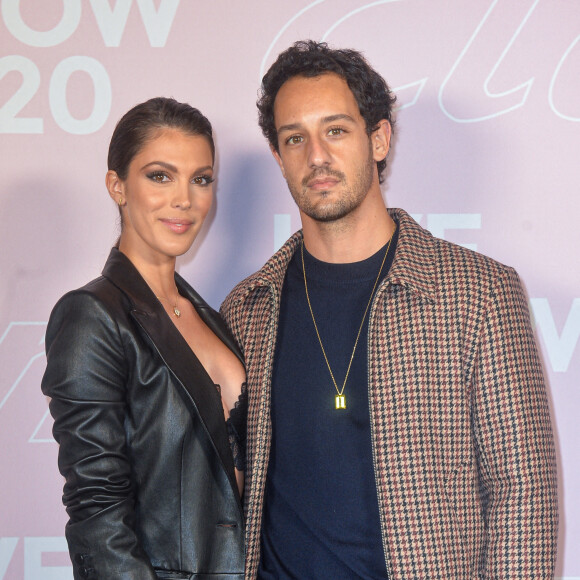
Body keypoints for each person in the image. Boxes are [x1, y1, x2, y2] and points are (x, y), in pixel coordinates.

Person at [220, 41, 558, 579]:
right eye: (294, 138)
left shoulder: (480, 294)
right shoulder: (246, 308)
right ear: (278, 155)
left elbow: (525, 497)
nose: (316, 156)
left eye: (335, 130)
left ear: (378, 138)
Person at [42, 97, 245, 580]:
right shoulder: (92, 314)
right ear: (117, 185)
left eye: (201, 179)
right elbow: (96, 510)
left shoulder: (212, 316)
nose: (184, 200)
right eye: (160, 176)